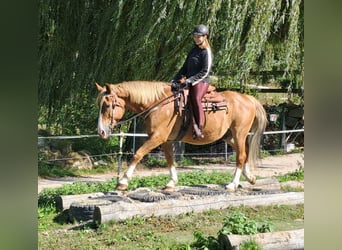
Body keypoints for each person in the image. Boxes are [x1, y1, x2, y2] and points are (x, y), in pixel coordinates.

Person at [171, 24, 213, 139]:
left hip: (202, 81)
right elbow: (184, 68)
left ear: (205, 37)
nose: (196, 38)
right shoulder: (193, 51)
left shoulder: (206, 52)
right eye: (195, 36)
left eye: (199, 36)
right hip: (189, 81)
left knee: (195, 98)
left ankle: (199, 126)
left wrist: (190, 81)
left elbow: (205, 71)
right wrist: (175, 79)